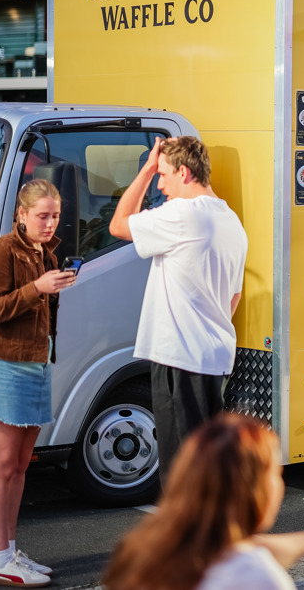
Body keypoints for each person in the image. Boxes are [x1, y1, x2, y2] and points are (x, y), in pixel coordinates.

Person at [108, 136, 248, 485]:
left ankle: (190, 537)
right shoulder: (231, 220)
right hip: (212, 355)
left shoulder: (184, 214)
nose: (160, 183)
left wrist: (145, 168)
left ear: (184, 172)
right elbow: (234, 296)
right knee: (205, 460)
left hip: (179, 356)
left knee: (180, 468)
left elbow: (119, 223)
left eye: (163, 173)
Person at [0, 179, 76, 587]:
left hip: (34, 366)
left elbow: (36, 310)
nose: (49, 223)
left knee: (21, 466)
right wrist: (37, 289)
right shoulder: (2, 250)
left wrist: (54, 287)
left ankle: (9, 551)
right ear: (21, 215)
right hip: (5, 368)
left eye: (55, 216)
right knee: (2, 466)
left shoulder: (44, 252)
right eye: (42, 216)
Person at [104, 413, 304, 590]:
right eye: (275, 474)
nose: (282, 484)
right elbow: (245, 563)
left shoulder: (140, 550)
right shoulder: (258, 577)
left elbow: (234, 550)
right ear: (251, 490)